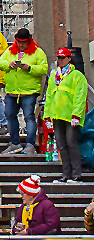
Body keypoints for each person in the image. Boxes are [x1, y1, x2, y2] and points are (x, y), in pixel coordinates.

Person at [0, 28, 48, 155]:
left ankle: (30, 145)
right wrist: (8, 65)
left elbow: (43, 68)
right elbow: (0, 62)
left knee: (29, 117)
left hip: (29, 91)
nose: (21, 45)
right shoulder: (10, 51)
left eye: (24, 42)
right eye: (19, 42)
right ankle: (14, 143)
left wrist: (29, 68)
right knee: (10, 116)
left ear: (29, 41)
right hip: (12, 91)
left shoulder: (38, 52)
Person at [44, 46, 86, 182]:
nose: (60, 60)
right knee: (61, 145)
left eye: (63, 58)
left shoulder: (77, 76)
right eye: (59, 58)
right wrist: (47, 115)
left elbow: (80, 96)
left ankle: (76, 174)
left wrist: (77, 114)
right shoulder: (54, 76)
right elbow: (49, 96)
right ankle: (66, 174)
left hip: (70, 115)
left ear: (69, 59)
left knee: (71, 142)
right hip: (57, 115)